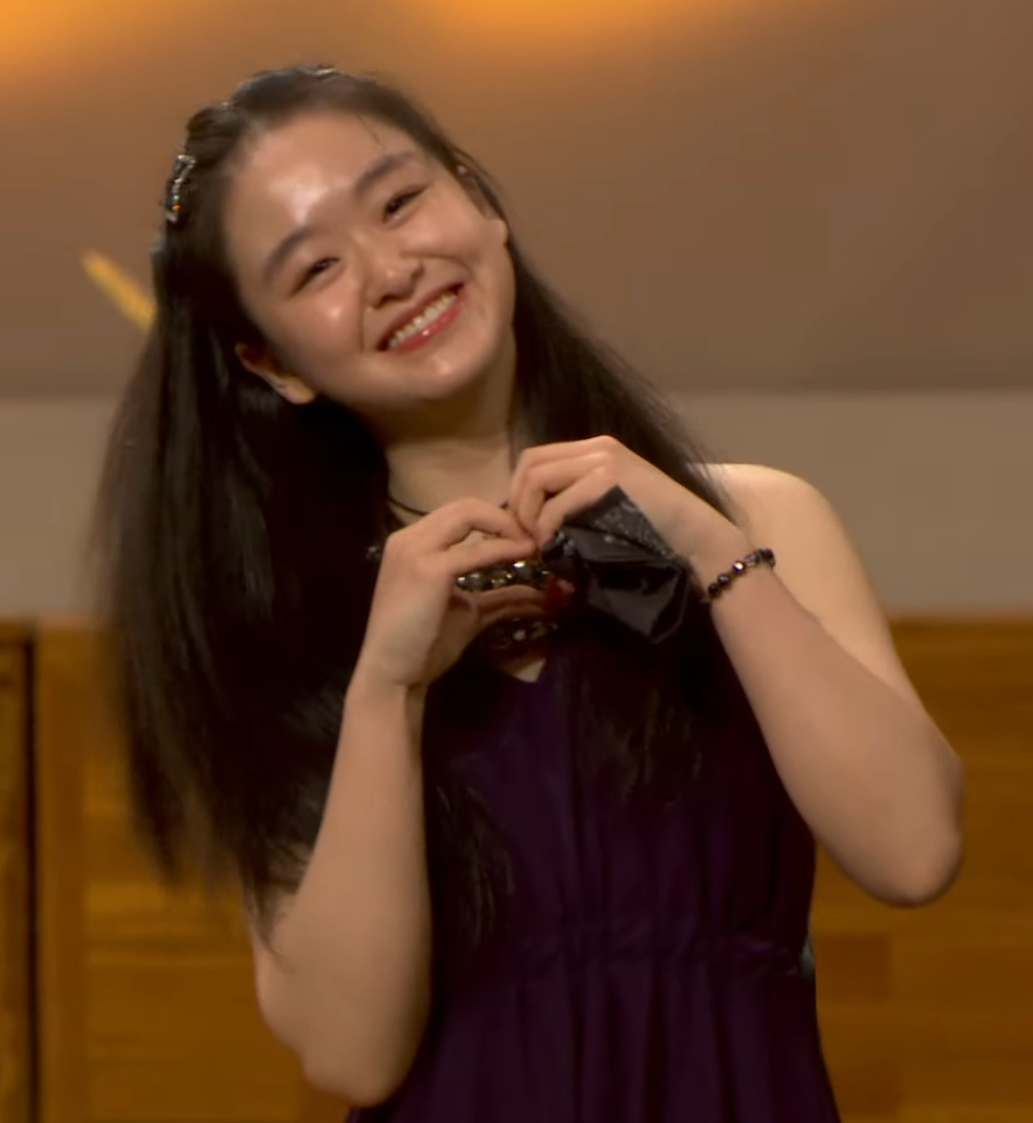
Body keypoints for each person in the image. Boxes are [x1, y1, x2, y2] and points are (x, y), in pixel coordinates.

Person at [96, 63, 964, 1122]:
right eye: (316, 266)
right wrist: (387, 688)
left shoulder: (757, 519)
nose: (390, 270)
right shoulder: (286, 632)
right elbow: (352, 1053)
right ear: (273, 362)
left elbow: (914, 850)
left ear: (480, 200)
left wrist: (708, 547)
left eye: (400, 202)